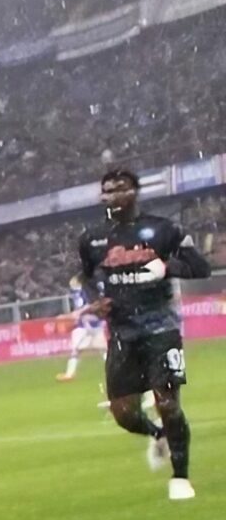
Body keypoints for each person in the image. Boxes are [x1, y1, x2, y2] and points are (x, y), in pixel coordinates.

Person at [79, 167, 210, 501]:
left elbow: (201, 267)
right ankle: (157, 435)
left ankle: (180, 478)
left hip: (160, 328)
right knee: (124, 414)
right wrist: (95, 300)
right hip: (121, 334)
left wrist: (168, 267)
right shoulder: (92, 239)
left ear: (134, 192)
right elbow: (86, 279)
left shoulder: (164, 230)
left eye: (119, 189)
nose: (111, 196)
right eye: (106, 191)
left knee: (168, 403)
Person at [57, 274, 107, 385]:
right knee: (101, 349)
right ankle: (69, 374)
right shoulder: (84, 292)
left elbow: (87, 306)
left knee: (77, 350)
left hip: (86, 324)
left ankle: (69, 374)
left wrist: (78, 315)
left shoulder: (84, 292)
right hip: (92, 322)